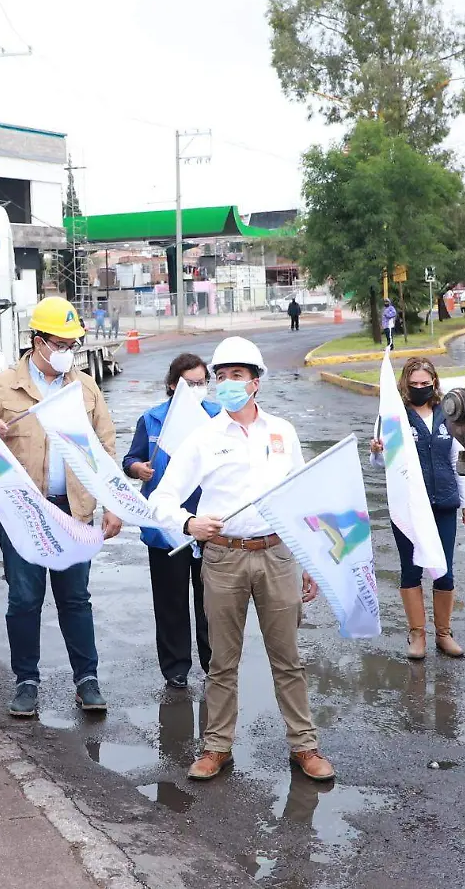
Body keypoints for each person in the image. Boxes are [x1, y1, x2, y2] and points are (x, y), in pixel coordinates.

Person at [149, 336, 333, 784]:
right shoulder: (203, 438)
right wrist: (189, 522)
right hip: (224, 558)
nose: (228, 383)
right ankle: (216, 748)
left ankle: (304, 746)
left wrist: (310, 560)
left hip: (277, 554)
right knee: (222, 662)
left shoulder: (282, 432)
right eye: (221, 376)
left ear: (256, 382)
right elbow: (162, 498)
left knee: (288, 657)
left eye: (237, 375)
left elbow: (302, 498)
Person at [0, 296, 123, 717]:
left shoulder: (85, 387)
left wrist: (112, 504)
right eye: (58, 343)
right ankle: (26, 681)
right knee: (24, 599)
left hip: (73, 509)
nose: (65, 352)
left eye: (71, 344)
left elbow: (105, 449)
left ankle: (87, 679)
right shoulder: (4, 386)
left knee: (75, 597)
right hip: (22, 511)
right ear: (36, 341)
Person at [122, 353, 220, 688]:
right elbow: (130, 459)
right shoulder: (152, 420)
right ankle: (176, 667)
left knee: (210, 603)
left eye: (201, 383)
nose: (196, 389)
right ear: (171, 385)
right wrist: (137, 469)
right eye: (188, 383)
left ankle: (214, 665)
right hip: (165, 528)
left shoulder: (219, 418)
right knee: (170, 602)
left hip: (209, 525)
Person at [370, 357, 465, 660]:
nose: (419, 389)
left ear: (434, 383)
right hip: (409, 508)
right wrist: (376, 453)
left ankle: (444, 633)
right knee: (411, 569)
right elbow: (381, 465)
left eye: (424, 384)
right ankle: (417, 635)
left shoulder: (448, 416)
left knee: (444, 571)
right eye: (413, 384)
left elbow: (460, 462)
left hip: (444, 503)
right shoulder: (395, 417)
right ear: (405, 384)